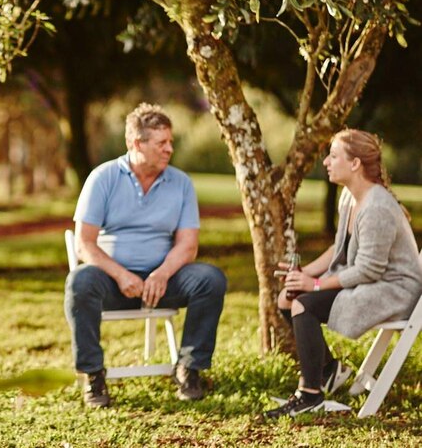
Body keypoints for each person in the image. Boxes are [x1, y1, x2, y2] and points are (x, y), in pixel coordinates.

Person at [64, 103, 227, 408]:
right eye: (161, 143)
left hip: (163, 281)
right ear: (136, 144)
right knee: (79, 283)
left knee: (210, 280)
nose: (169, 149)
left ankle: (190, 369)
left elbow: (188, 245)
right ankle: (93, 376)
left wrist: (162, 273)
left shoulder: (181, 183)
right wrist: (121, 274)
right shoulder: (103, 178)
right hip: (113, 282)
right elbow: (84, 244)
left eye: (170, 142)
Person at [265, 129, 422, 418]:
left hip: (394, 290)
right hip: (371, 280)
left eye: (333, 155)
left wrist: (315, 285)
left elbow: (369, 269)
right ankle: (328, 370)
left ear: (355, 164)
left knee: (303, 302)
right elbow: (339, 248)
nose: (325, 162)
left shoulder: (377, 206)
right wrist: (303, 273)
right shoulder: (350, 199)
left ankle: (310, 395)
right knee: (289, 298)